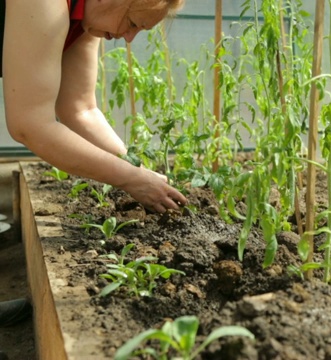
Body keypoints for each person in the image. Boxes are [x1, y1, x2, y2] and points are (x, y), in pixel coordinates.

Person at [0, 0, 190, 355]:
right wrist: (130, 180)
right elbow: (30, 124)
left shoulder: (89, 19)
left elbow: (79, 108)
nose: (129, 38)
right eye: (133, 22)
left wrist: (138, 169)